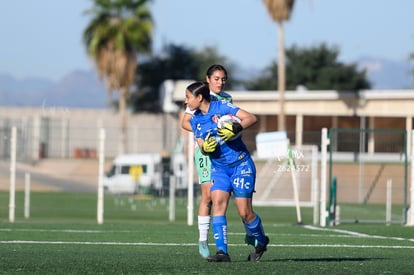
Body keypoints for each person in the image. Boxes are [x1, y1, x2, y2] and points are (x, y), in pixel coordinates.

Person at [184, 81, 269, 262]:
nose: (186, 101)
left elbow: (251, 118)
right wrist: (206, 147)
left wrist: (237, 127)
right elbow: (200, 143)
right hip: (219, 169)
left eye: (188, 97)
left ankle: (261, 241)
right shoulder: (195, 119)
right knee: (218, 205)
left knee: (244, 213)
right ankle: (222, 252)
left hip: (241, 165)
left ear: (199, 97)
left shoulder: (222, 107)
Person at [181, 64, 232, 259]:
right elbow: (185, 122)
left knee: (225, 196)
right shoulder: (198, 96)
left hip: (224, 153)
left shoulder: (227, 99)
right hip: (204, 152)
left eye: (223, 79)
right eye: (217, 78)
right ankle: (203, 239)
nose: (220, 82)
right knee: (208, 196)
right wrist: (204, 134)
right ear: (208, 79)